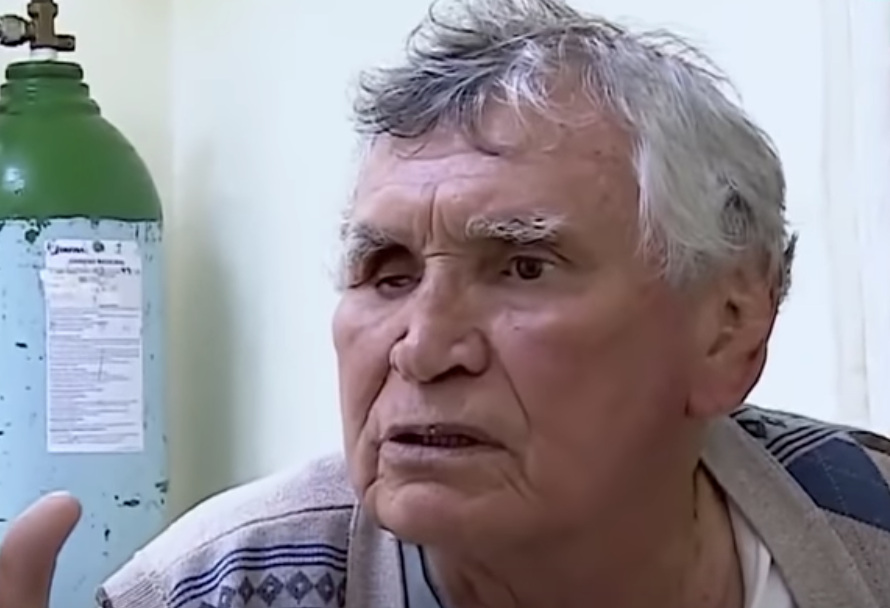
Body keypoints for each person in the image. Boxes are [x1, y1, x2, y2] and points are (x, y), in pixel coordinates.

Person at [2, 1, 890, 607]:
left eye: (524, 267)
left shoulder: (865, 524)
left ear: (728, 327)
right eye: (387, 273)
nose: (423, 349)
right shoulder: (217, 589)